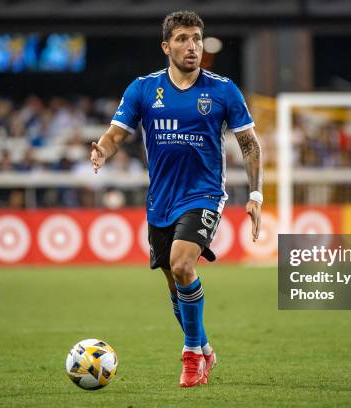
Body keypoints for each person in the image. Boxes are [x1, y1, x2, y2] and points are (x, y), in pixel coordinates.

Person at [90, 10, 263, 388]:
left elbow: (249, 145)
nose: (192, 46)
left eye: (197, 39)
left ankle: (190, 357)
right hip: (161, 200)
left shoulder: (222, 90)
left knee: (184, 265)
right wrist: (102, 149)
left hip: (204, 194)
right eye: (183, 39)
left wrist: (255, 193)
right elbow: (117, 134)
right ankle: (203, 345)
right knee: (174, 283)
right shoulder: (142, 89)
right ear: (166, 46)